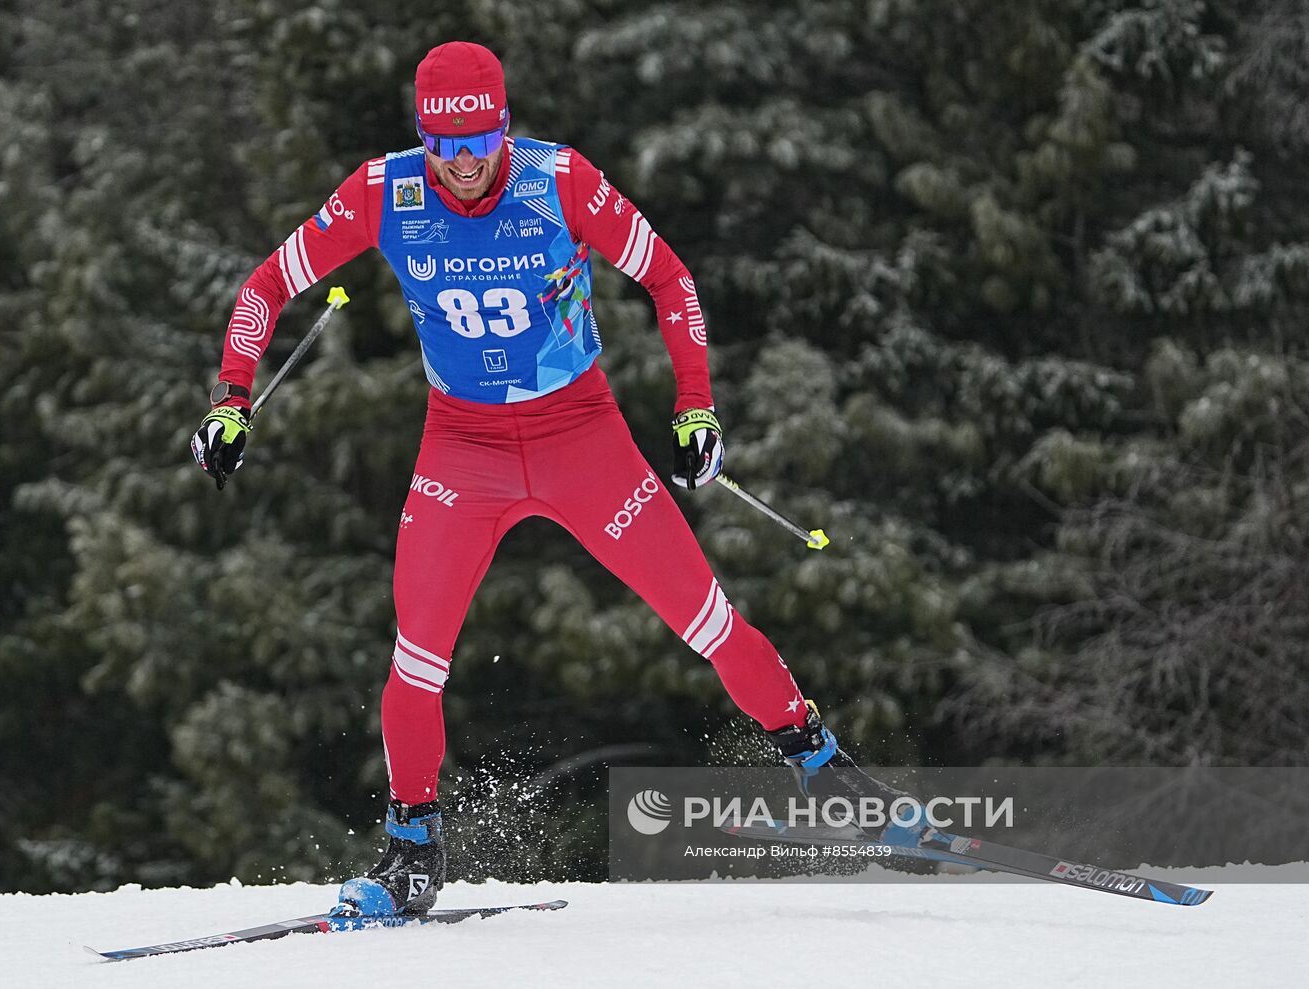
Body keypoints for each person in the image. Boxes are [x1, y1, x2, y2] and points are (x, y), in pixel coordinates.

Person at [190, 41, 913, 921]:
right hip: (463, 446)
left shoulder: (557, 180)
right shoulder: (386, 191)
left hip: (583, 434)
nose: (461, 164)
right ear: (422, 137)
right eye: (442, 145)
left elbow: (670, 278)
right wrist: (233, 398)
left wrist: (696, 409)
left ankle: (821, 765)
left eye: (479, 141)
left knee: (706, 616)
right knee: (415, 658)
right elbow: (267, 284)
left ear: (503, 126)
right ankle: (412, 845)